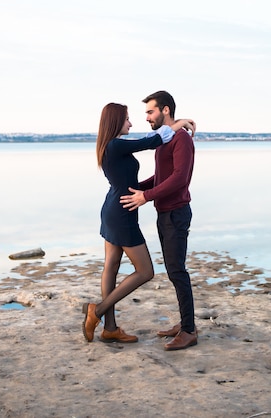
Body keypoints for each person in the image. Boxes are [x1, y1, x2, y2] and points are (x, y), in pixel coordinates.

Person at [82, 102, 195, 344]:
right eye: (127, 119)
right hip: (122, 214)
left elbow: (147, 139)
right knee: (145, 271)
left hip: (114, 207)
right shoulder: (116, 144)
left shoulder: (110, 145)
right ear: (115, 122)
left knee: (111, 266)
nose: (131, 123)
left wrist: (144, 190)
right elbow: (153, 141)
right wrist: (180, 124)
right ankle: (98, 311)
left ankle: (110, 328)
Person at [119, 91, 197, 351]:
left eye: (150, 112)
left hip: (176, 213)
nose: (147, 118)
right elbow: (161, 176)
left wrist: (146, 197)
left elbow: (179, 178)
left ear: (165, 110)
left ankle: (188, 331)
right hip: (164, 213)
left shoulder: (182, 139)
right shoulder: (165, 139)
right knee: (174, 271)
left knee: (177, 271)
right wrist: (135, 189)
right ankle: (186, 323)